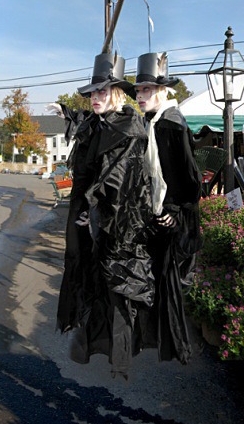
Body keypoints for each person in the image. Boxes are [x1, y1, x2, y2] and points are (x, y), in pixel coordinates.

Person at [53, 53, 159, 378]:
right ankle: (100, 347)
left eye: (102, 92)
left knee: (119, 292)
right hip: (91, 222)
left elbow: (123, 181)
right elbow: (83, 168)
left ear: (116, 93)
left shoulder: (129, 129)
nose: (95, 98)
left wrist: (95, 209)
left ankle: (121, 361)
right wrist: (83, 208)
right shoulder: (93, 126)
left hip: (120, 225)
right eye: (92, 93)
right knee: (90, 281)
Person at [133, 52, 203, 364]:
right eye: (138, 91)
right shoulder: (152, 124)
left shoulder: (172, 125)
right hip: (161, 216)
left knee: (173, 283)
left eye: (146, 90)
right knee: (157, 280)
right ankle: (159, 340)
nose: (140, 96)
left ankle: (179, 347)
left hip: (177, 220)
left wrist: (174, 210)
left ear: (162, 92)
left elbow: (191, 178)